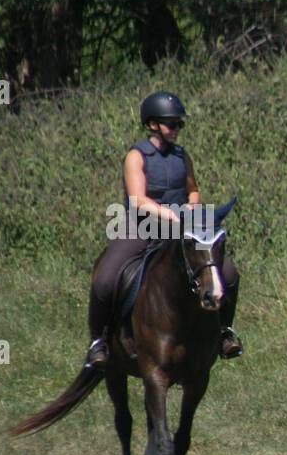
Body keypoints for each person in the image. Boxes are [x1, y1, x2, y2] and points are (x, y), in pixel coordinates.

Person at [84, 91, 242, 369]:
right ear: (152, 124)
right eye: (171, 124)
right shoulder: (136, 156)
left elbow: (193, 190)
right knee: (105, 278)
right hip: (141, 226)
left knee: (227, 272)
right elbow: (137, 199)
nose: (176, 130)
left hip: (180, 229)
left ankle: (224, 332)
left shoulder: (183, 156)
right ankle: (99, 341)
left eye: (179, 124)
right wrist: (169, 214)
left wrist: (192, 208)